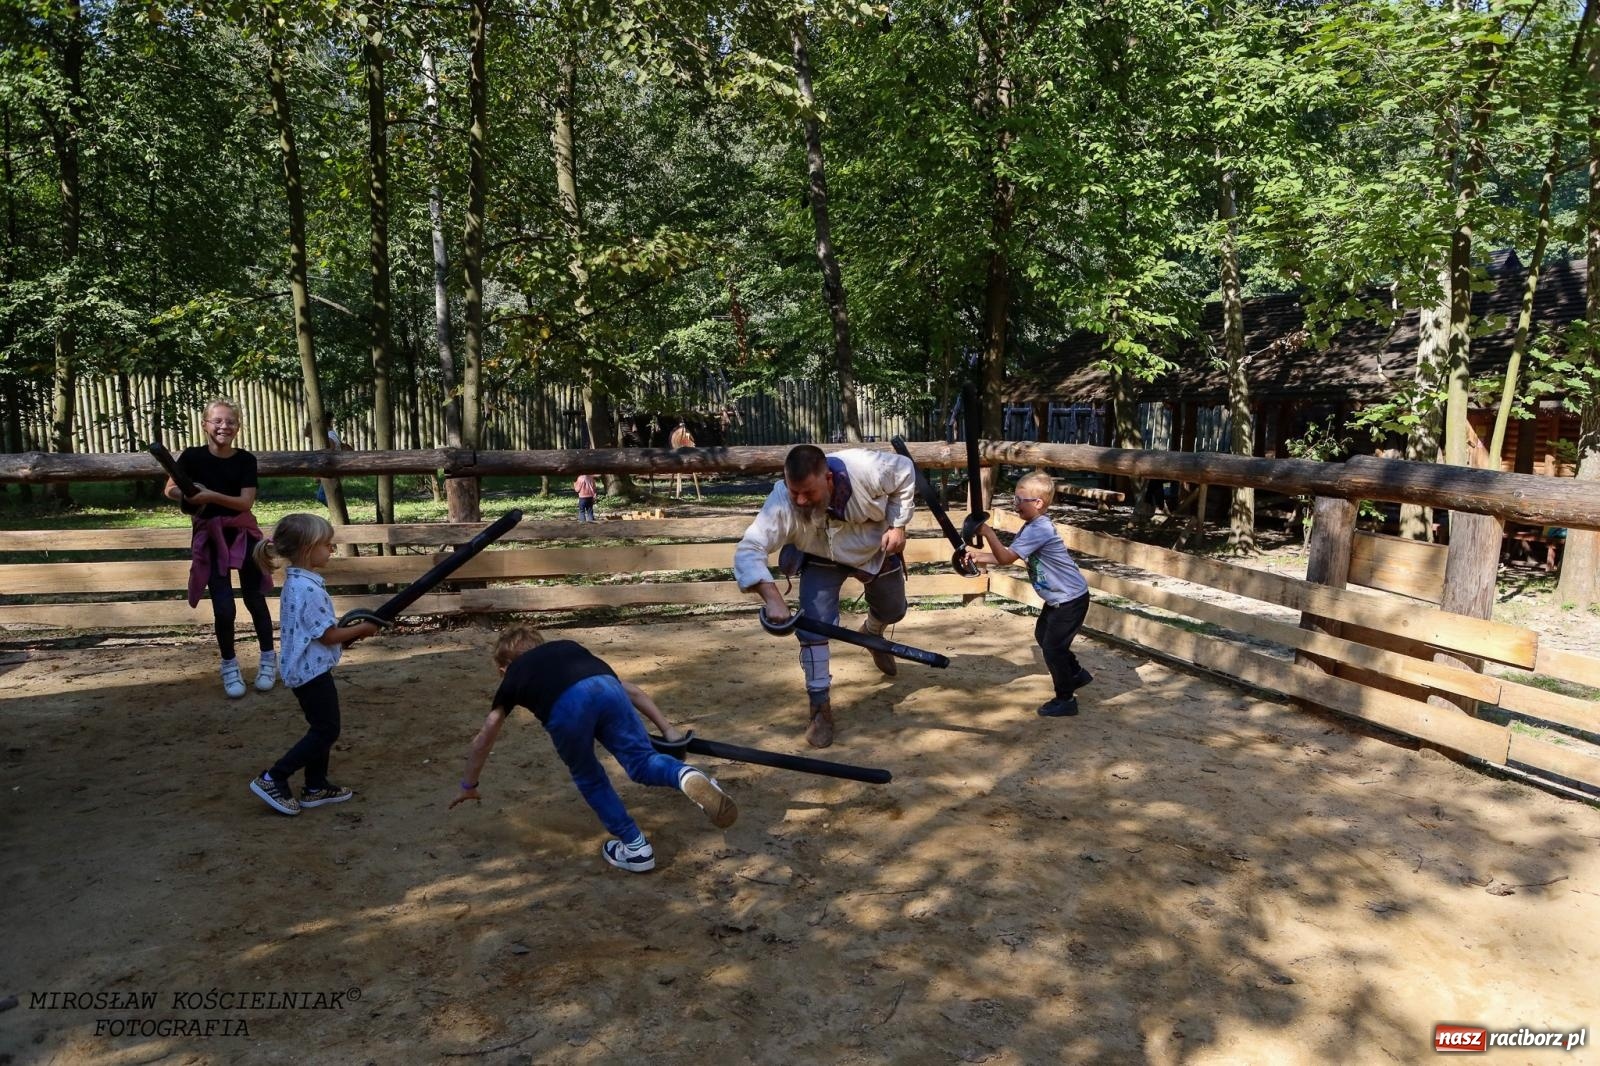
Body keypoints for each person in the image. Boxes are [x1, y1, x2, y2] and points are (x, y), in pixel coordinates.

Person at [449, 626, 737, 873]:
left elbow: (485, 737)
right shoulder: (568, 648)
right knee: (643, 761)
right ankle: (687, 775)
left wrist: (468, 784)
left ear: (503, 669)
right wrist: (668, 730)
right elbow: (633, 691)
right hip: (605, 687)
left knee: (590, 777)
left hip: (566, 710)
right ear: (541, 646)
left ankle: (636, 848)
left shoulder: (513, 676)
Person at [733, 444, 916, 748]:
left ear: (828, 478)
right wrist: (772, 597)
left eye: (808, 492)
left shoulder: (866, 468)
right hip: (819, 552)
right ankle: (820, 708)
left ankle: (872, 633)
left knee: (894, 609)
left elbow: (906, 471)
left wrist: (898, 525)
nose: (801, 500)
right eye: (795, 493)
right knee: (813, 627)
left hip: (873, 548)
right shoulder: (782, 500)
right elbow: (750, 548)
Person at [247, 514, 382, 816]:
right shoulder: (307, 590)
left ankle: (316, 785)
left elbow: (319, 634)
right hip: (311, 674)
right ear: (308, 549)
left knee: (322, 727)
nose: (331, 549)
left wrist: (347, 634)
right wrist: (363, 629)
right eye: (327, 544)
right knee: (326, 730)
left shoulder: (299, 583)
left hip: (309, 668)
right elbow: (329, 634)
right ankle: (274, 777)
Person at [165, 397, 276, 699]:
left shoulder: (245, 460)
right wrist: (189, 496)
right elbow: (170, 489)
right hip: (211, 538)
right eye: (217, 420)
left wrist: (210, 495)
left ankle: (268, 660)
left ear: (238, 427)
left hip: (243, 534)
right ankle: (229, 664)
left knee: (255, 599)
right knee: (224, 607)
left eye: (230, 421)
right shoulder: (191, 457)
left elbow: (245, 502)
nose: (224, 426)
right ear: (205, 424)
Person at [963, 471, 1093, 717]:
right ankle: (1075, 674)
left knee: (1053, 648)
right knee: (1043, 636)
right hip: (1060, 598)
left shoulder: (1039, 529)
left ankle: (1066, 699)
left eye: (1019, 500)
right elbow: (1009, 556)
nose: (1015, 505)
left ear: (1038, 503)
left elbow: (1006, 557)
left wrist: (988, 533)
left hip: (1070, 599)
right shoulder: (1032, 526)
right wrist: (979, 556)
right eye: (1015, 499)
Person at [669, 421, 702, 501]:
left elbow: (692, 442)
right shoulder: (677, 433)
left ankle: (698, 496)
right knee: (677, 472)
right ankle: (677, 494)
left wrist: (690, 444)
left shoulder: (687, 433)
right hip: (678, 451)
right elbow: (674, 442)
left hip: (688, 452)